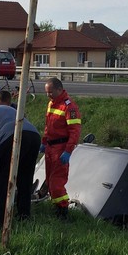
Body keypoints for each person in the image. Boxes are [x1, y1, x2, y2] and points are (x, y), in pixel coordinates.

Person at [0, 90, 42, 225]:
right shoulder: (9, 109)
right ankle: (24, 215)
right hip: (34, 136)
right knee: (25, 177)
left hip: (11, 136)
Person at [42, 77, 81, 220]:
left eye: (50, 92)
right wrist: (44, 142)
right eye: (47, 92)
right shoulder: (52, 103)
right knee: (49, 180)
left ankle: (63, 211)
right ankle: (57, 207)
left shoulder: (69, 107)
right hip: (50, 147)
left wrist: (68, 151)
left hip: (60, 148)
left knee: (56, 183)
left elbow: (74, 131)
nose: (48, 95)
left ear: (59, 89)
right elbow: (48, 125)